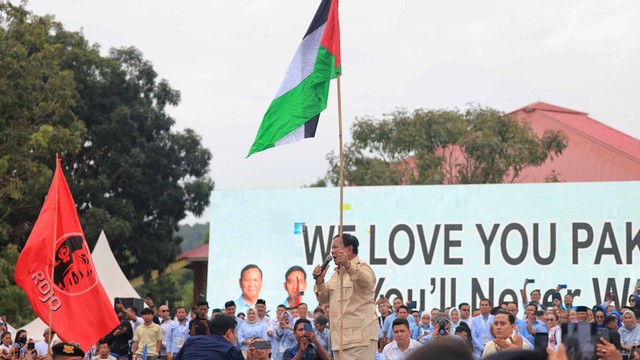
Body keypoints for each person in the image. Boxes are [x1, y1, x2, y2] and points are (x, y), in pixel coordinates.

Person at [313, 233, 378, 360]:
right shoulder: (336, 275)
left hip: (360, 340)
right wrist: (320, 281)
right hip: (339, 340)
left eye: (336, 247)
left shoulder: (362, 268)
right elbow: (323, 299)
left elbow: (366, 281)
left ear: (349, 249)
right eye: (332, 248)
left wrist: (348, 265)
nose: (332, 251)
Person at [174, 314, 243, 360]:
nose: (236, 336)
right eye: (235, 332)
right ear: (229, 332)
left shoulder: (191, 341)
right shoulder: (230, 350)